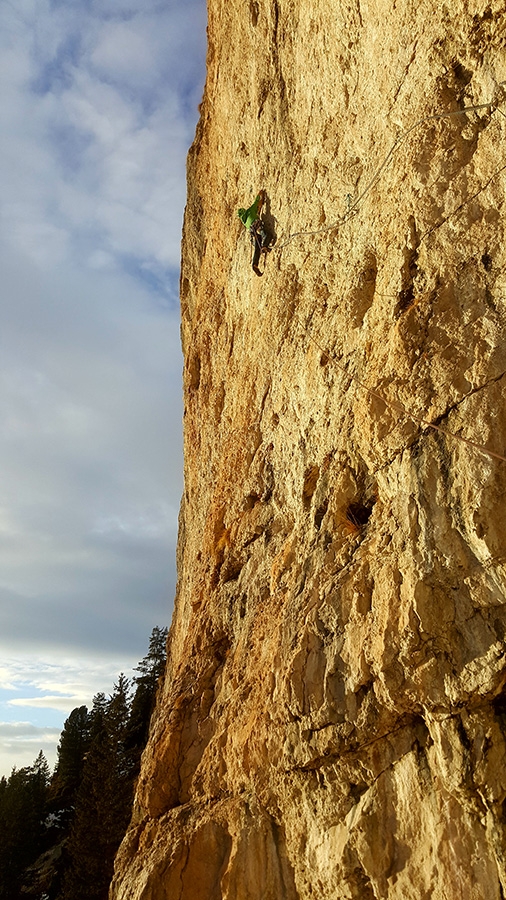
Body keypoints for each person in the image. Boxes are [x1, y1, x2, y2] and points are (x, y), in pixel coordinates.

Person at [237, 190, 272, 276]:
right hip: (257, 226)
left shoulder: (244, 222)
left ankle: (255, 264)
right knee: (267, 235)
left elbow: (257, 212)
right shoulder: (249, 211)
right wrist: (260, 193)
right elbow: (257, 201)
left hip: (253, 233)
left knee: (257, 247)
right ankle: (265, 246)